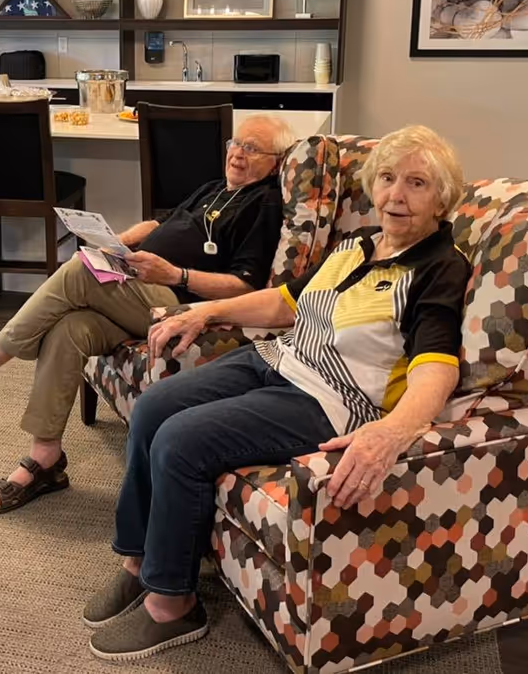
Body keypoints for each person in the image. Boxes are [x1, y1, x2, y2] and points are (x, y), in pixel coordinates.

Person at [79, 124, 471, 662]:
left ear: (443, 197)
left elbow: (437, 369)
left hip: (331, 399)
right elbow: (287, 302)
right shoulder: (359, 245)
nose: (395, 196)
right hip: (277, 358)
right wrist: (206, 309)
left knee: (180, 440)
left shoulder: (439, 268)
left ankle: (173, 603)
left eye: (417, 183)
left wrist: (393, 431)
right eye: (386, 179)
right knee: (152, 407)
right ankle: (138, 561)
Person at [0, 115, 299, 514]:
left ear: (276, 162)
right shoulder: (214, 189)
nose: (237, 154)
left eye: (252, 149)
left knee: (80, 269)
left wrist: (175, 273)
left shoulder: (262, 204)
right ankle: (45, 460)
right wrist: (119, 242)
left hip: (178, 304)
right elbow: (163, 223)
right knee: (70, 326)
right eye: (235, 143)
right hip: (145, 284)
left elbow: (246, 287)